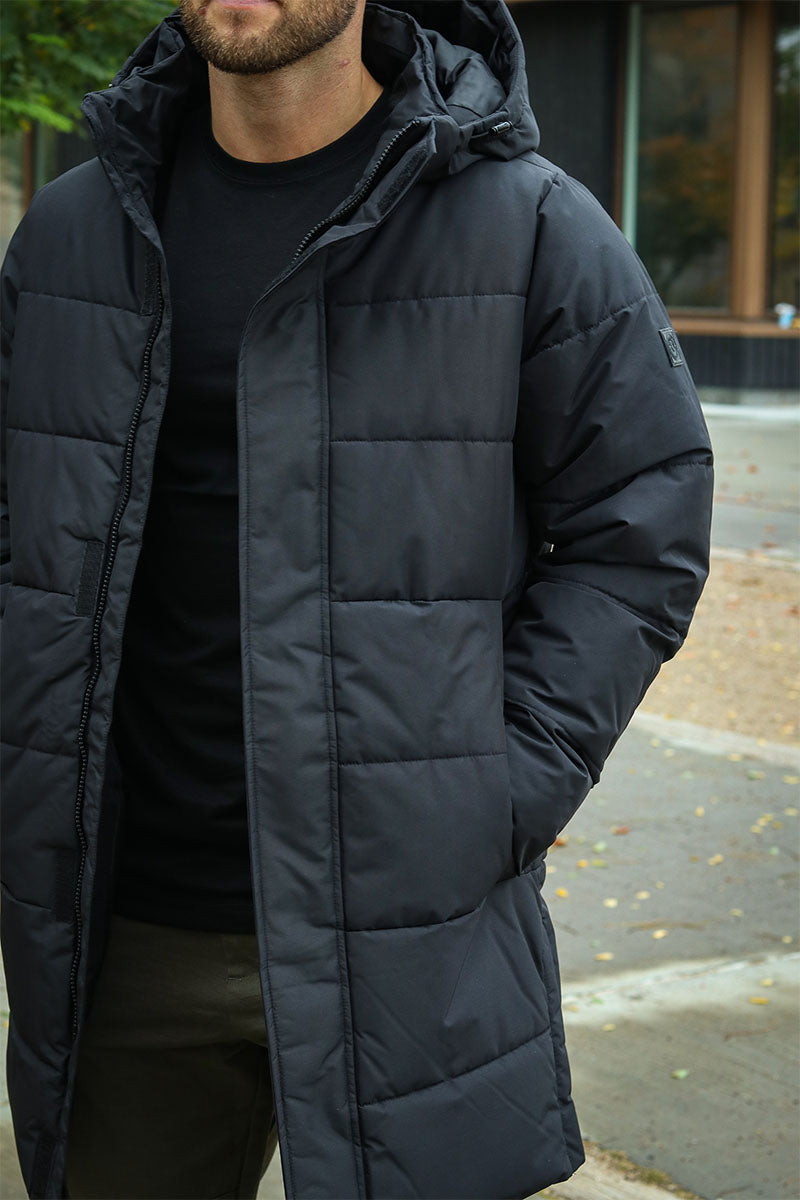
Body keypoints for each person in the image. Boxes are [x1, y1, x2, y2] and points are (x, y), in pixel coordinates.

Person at [0, 0, 714, 1197]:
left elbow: (636, 530)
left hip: (409, 944)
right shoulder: (72, 235)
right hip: (124, 943)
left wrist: (496, 787)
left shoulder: (530, 227)